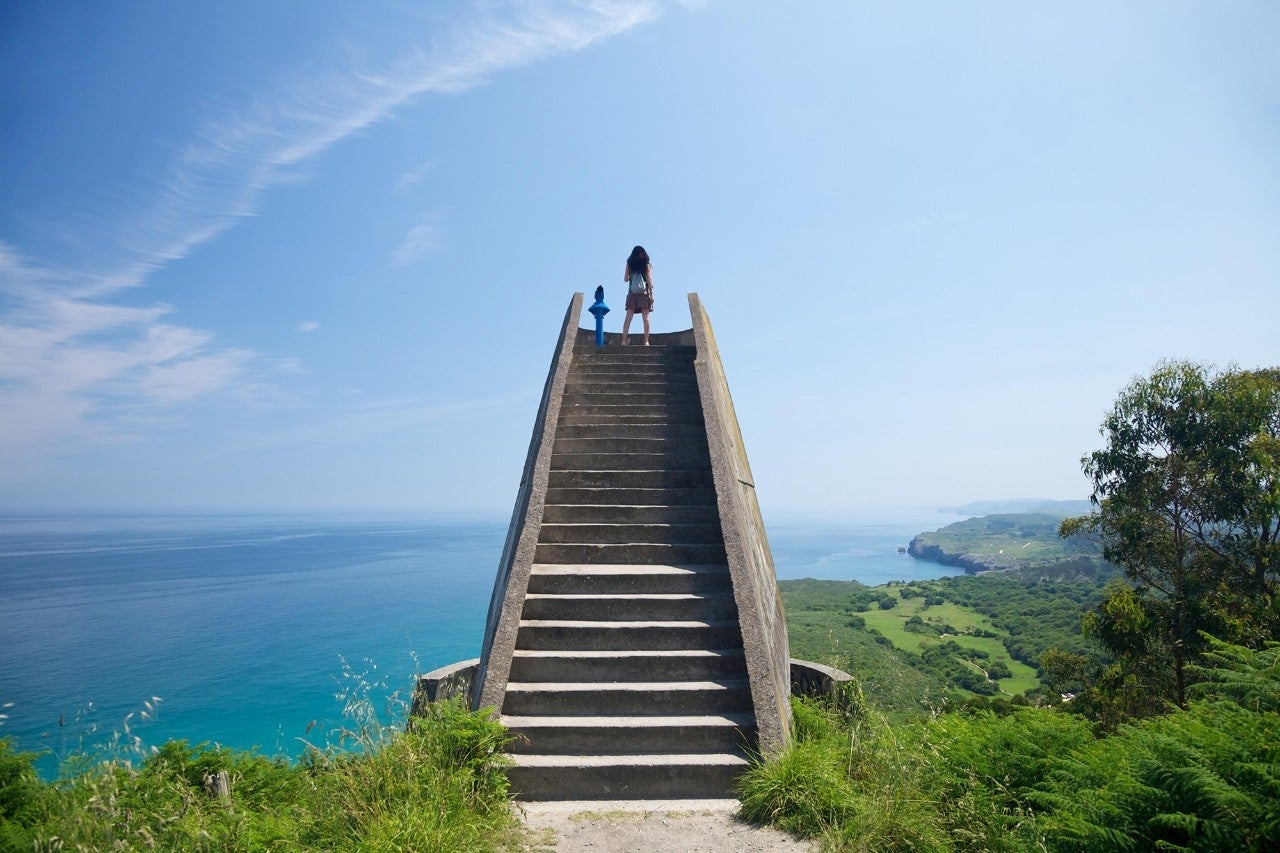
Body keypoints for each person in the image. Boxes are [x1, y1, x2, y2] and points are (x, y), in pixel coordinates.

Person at [621, 245, 654, 346]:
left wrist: (631, 275)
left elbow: (626, 279)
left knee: (628, 317)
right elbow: (649, 280)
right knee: (646, 317)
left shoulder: (629, 264)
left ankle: (623, 341)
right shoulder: (646, 265)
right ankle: (646, 341)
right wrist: (651, 294)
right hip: (644, 293)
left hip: (632, 292)